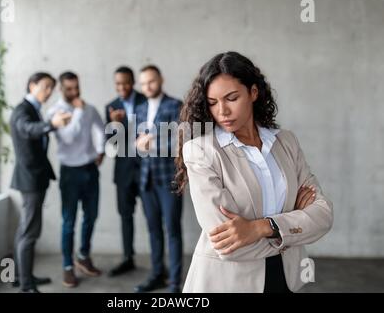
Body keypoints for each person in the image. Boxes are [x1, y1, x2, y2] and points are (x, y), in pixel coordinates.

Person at [175, 51, 334, 293]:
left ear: (253, 93)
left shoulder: (286, 142)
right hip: (228, 284)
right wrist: (291, 232)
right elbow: (228, 245)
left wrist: (261, 227)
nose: (222, 111)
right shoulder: (200, 151)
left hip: (286, 278)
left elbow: (323, 215)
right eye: (213, 103)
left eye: (231, 98)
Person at [10, 72, 72, 293]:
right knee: (30, 232)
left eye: (51, 89)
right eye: (45, 87)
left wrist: (50, 124)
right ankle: (26, 285)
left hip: (35, 178)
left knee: (25, 230)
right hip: (30, 180)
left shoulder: (33, 109)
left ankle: (21, 277)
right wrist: (51, 124)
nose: (48, 92)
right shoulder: (22, 110)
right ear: (32, 85)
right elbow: (28, 129)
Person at [46, 71, 105, 288]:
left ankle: (83, 256)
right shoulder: (55, 112)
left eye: (77, 87)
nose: (75, 92)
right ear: (62, 90)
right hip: (70, 173)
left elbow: (100, 128)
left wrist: (101, 151)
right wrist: (79, 111)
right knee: (69, 222)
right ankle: (67, 266)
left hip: (90, 170)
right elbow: (69, 137)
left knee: (91, 216)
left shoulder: (89, 109)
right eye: (70, 89)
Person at [134, 65, 183, 293]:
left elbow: (181, 144)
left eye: (151, 81)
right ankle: (156, 274)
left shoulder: (175, 106)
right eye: (143, 83)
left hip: (169, 179)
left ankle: (174, 282)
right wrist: (139, 144)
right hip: (147, 180)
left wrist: (151, 143)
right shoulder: (140, 108)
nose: (147, 87)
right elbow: (136, 144)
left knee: (172, 229)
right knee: (153, 230)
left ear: (161, 79)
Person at [105, 66, 147, 277]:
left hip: (147, 170)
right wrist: (114, 124)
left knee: (153, 218)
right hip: (123, 173)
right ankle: (127, 258)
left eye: (125, 83)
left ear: (133, 82)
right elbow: (111, 145)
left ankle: (158, 264)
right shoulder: (111, 107)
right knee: (125, 216)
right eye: (118, 84)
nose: (122, 87)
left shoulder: (146, 101)